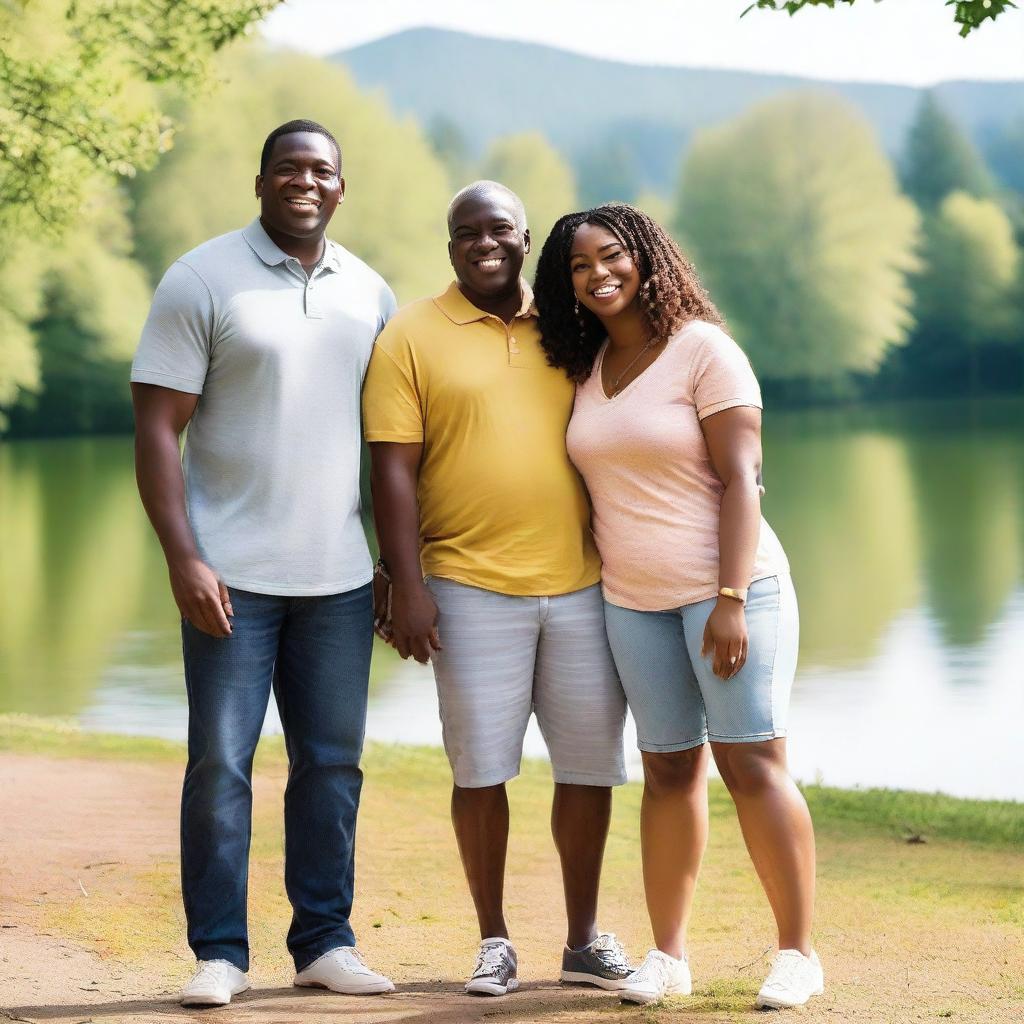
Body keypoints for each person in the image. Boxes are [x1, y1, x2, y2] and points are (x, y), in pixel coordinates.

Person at [130, 119, 396, 1007]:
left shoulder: (371, 293)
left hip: (340, 580)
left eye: (322, 169)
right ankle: (220, 953)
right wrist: (184, 557)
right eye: (290, 168)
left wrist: (399, 565)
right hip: (230, 577)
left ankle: (324, 941)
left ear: (341, 187)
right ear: (260, 181)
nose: (306, 182)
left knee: (331, 765)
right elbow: (157, 429)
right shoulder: (201, 278)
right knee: (221, 764)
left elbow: (397, 446)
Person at [532, 203, 822, 1010]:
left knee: (752, 763)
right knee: (666, 770)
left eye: (612, 256)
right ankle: (669, 956)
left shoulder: (704, 352)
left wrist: (729, 599)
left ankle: (797, 953)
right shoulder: (587, 366)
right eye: (579, 266)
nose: (598, 275)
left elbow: (743, 481)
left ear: (647, 258)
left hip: (732, 593)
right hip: (633, 601)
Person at [362, 181, 633, 997]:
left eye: (500, 230)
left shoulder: (572, 325)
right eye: (465, 233)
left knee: (589, 769)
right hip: (467, 584)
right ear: (450, 246)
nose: (484, 243)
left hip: (586, 583)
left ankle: (583, 940)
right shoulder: (409, 334)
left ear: (525, 240)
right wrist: (406, 584)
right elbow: (392, 470)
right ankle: (494, 939)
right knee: (481, 770)